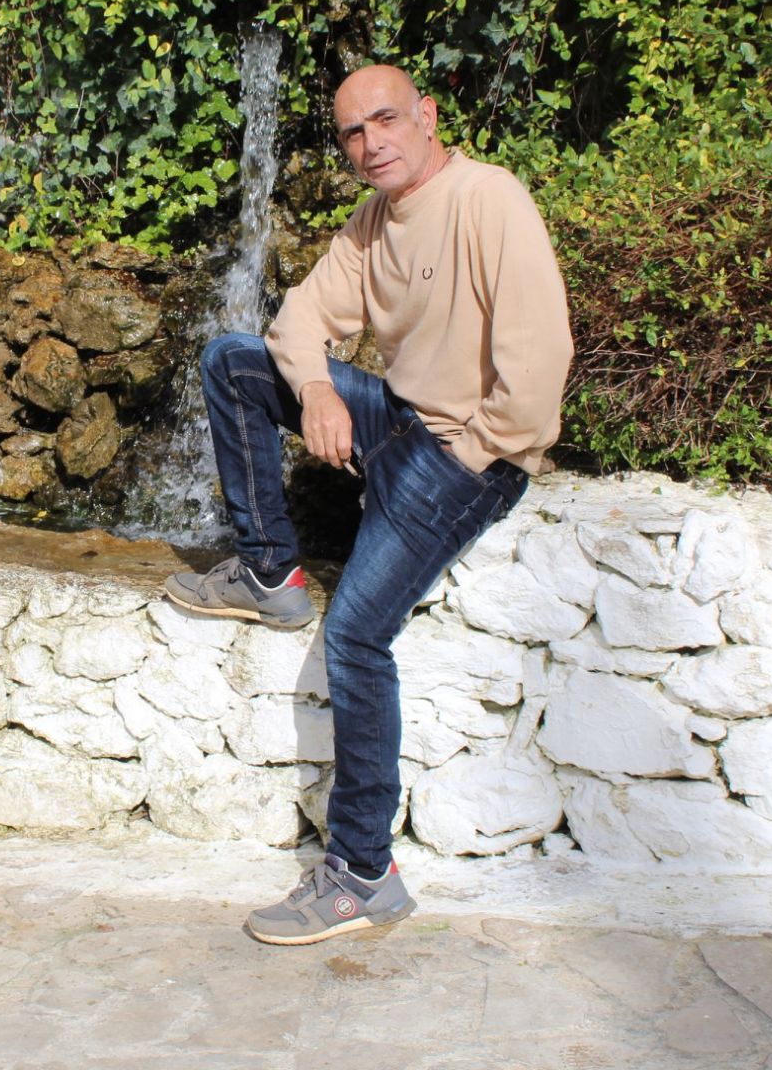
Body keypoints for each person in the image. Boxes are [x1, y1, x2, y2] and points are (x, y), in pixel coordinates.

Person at [165, 65, 573, 946]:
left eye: (385, 120)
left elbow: (539, 367)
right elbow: (297, 320)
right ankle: (270, 572)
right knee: (235, 360)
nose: (370, 143)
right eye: (352, 131)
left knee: (355, 635)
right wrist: (318, 390)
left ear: (428, 115)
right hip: (395, 420)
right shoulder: (374, 221)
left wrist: (469, 454)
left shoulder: (488, 199)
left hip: (466, 456)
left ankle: (362, 872)